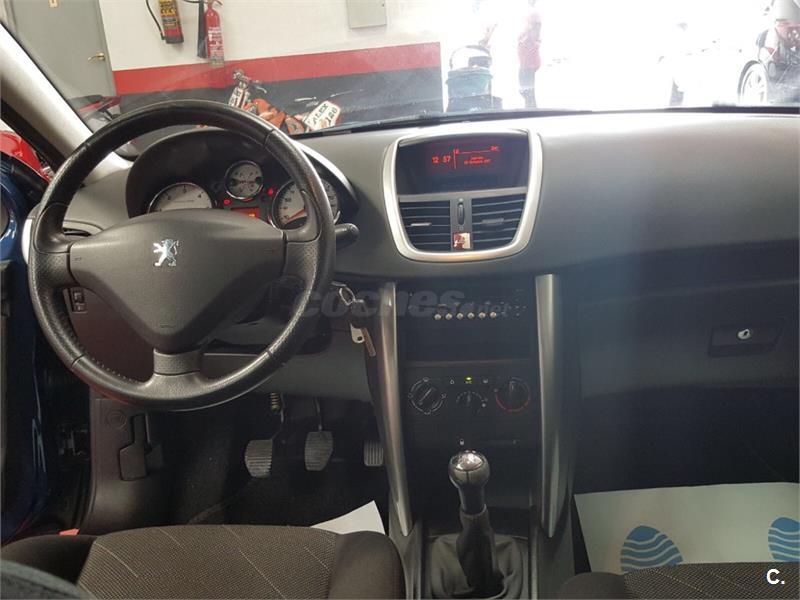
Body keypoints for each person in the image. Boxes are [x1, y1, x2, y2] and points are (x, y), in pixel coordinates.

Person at [517, 0, 542, 108]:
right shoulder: (529, 13)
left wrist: (527, 41)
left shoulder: (534, 15)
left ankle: (531, 108)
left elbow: (535, 32)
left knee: (527, 88)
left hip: (529, 59)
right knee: (526, 87)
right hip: (526, 60)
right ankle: (530, 107)